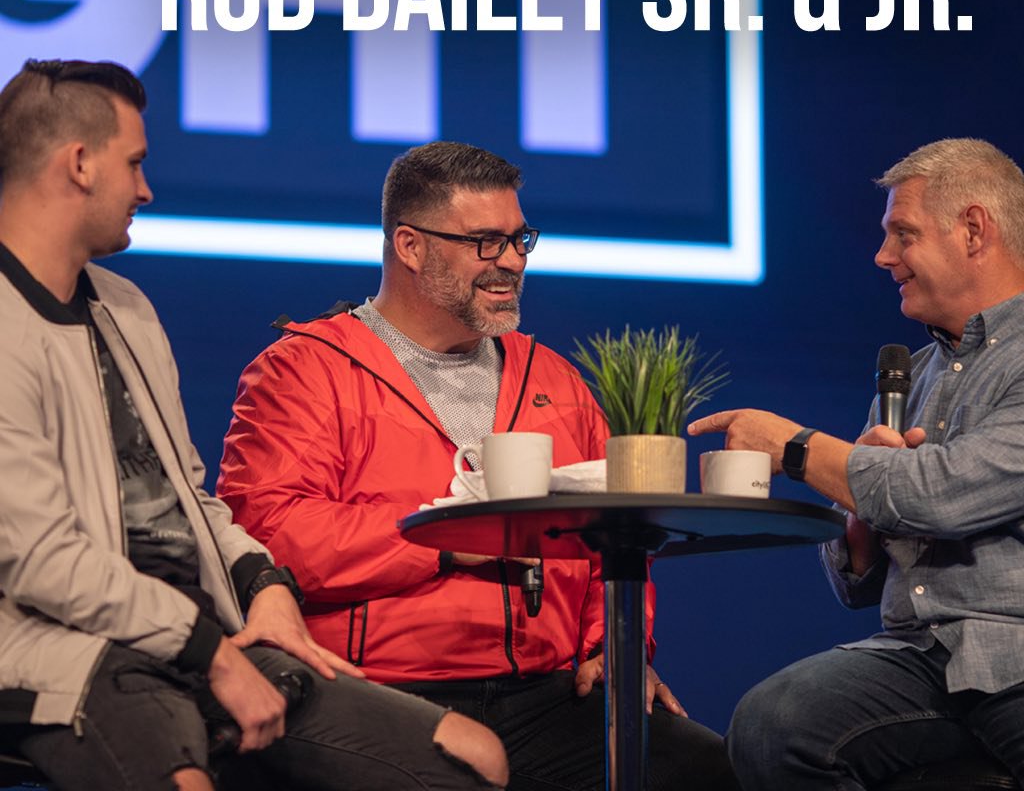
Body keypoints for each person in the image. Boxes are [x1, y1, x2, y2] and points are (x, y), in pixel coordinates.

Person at [0, 60, 507, 791]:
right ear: (78, 164)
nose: (145, 189)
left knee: (474, 759)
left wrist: (262, 583)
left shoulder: (126, 308)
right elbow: (44, 562)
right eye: (134, 163)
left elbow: (190, 500)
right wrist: (208, 650)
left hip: (195, 639)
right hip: (66, 653)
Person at [218, 140, 738, 791]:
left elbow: (612, 531)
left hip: (544, 693)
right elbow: (270, 534)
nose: (512, 261)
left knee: (700, 768)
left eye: (520, 240)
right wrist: (451, 536)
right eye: (486, 243)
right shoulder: (304, 370)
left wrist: (612, 646)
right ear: (410, 246)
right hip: (374, 686)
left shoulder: (555, 380)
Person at [688, 138, 1024, 789]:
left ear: (973, 229)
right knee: (772, 724)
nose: (883, 256)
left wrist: (795, 447)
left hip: (1013, 652)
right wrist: (861, 515)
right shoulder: (910, 377)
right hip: (920, 655)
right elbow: (857, 587)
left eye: (903, 234)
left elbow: (941, 496)